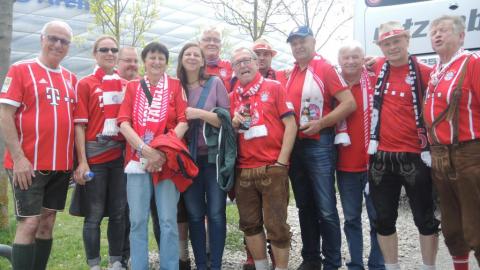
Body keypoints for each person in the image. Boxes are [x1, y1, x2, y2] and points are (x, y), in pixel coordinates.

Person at [0, 20, 76, 270]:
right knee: (29, 223)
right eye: (53, 38)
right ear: (41, 39)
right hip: (27, 165)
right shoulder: (21, 70)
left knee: (47, 222)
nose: (57, 44)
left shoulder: (72, 79)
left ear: (68, 46)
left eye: (64, 41)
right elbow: (5, 114)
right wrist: (18, 157)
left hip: (61, 166)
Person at [367, 21, 439, 270]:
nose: (392, 47)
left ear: (407, 41)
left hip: (414, 156)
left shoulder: (426, 73)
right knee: (383, 220)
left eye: (396, 41)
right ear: (381, 47)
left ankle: (429, 267)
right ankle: (392, 267)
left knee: (425, 219)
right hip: (381, 157)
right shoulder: (376, 67)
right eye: (386, 43)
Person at [285, 25, 356, 270]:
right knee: (304, 205)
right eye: (293, 43)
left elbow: (349, 103)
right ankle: (311, 258)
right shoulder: (292, 72)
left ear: (313, 41)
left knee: (325, 207)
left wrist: (322, 123)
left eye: (302, 41)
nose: (298, 46)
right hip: (296, 145)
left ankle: (332, 263)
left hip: (319, 143)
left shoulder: (324, 68)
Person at [117, 41, 189, 270]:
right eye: (152, 57)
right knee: (138, 220)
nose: (156, 62)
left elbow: (183, 122)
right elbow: (123, 122)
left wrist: (161, 151)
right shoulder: (132, 87)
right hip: (137, 161)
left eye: (161, 58)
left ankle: (170, 266)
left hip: (166, 161)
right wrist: (144, 149)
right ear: (144, 62)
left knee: (168, 221)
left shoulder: (176, 86)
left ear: (166, 63)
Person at [230, 47, 297, 270]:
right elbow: (229, 135)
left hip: (272, 167)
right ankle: (261, 266)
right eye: (237, 63)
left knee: (276, 225)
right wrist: (233, 123)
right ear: (233, 70)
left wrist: (281, 163)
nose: (243, 65)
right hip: (244, 170)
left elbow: (291, 124)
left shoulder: (274, 88)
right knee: (250, 224)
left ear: (256, 63)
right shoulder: (233, 97)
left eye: (246, 60)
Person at [424, 15, 480, 270]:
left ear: (461, 37)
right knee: (452, 228)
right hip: (440, 158)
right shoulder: (436, 71)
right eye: (433, 31)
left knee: (476, 227)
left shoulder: (472, 64)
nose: (437, 34)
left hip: (469, 155)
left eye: (443, 30)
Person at [72, 35, 127, 270]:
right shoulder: (85, 83)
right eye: (103, 49)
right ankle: (94, 264)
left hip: (119, 156)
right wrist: (82, 162)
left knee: (118, 212)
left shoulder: (124, 84)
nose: (109, 53)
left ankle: (115, 261)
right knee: (93, 215)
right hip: (95, 156)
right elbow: (79, 125)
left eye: (114, 49)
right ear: (95, 53)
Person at [177, 42, 232, 270]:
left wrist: (198, 113)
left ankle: (216, 264)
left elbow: (225, 120)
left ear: (202, 60)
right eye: (187, 53)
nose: (191, 57)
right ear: (181, 59)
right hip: (187, 160)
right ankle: (201, 264)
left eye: (196, 54)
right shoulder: (175, 86)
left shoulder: (214, 83)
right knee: (195, 214)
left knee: (217, 213)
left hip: (213, 159)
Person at [335, 41, 385, 270]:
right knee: (352, 219)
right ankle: (355, 263)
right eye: (347, 57)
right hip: (346, 167)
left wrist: (379, 58)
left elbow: (397, 63)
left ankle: (377, 264)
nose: (352, 61)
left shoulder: (374, 79)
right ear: (339, 61)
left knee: (378, 218)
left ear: (363, 58)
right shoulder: (333, 85)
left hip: (375, 164)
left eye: (357, 56)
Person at [116, 46, 140, 269]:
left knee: (146, 211)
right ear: (118, 62)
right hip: (116, 157)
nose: (132, 64)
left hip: (143, 156)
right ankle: (122, 257)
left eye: (135, 61)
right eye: (127, 61)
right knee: (123, 209)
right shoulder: (108, 83)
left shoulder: (143, 86)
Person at [199, 26, 233, 91]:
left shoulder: (231, 67)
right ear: (200, 44)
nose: (212, 43)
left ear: (221, 45)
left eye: (216, 40)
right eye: (207, 40)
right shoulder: (193, 67)